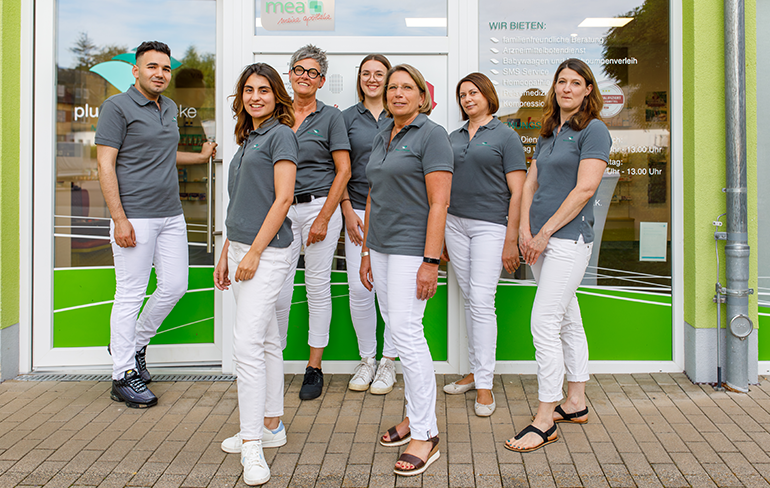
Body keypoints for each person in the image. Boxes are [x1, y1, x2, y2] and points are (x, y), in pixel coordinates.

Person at [95, 41, 216, 408]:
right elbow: (105, 165)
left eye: (165, 68)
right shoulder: (116, 107)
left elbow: (163, 153)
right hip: (135, 216)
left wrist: (199, 156)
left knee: (175, 285)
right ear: (136, 70)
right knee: (130, 294)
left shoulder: (170, 107)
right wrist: (119, 219)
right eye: (152, 67)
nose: (160, 74)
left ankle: (133, 344)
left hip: (170, 214)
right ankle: (122, 374)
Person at [504, 58, 611, 452]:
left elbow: (584, 190)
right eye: (561, 81)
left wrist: (544, 233)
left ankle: (545, 419)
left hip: (567, 241)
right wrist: (524, 231)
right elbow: (531, 183)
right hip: (541, 240)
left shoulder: (594, 131)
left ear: (587, 90)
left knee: (543, 322)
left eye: (575, 82)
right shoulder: (550, 132)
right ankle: (576, 401)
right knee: (567, 319)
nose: (567, 88)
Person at [361, 64, 453, 476]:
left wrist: (430, 261)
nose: (397, 93)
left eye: (406, 87)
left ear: (422, 95)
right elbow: (372, 195)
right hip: (379, 248)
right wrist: (364, 252)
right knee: (396, 329)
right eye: (392, 87)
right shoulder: (384, 133)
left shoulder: (432, 136)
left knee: (407, 334)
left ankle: (426, 433)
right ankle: (413, 418)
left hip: (411, 250)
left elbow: (440, 203)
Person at [213, 63, 298, 486]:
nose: (255, 96)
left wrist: (254, 254)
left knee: (246, 344)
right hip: (243, 247)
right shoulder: (246, 137)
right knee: (264, 340)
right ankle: (271, 425)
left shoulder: (281, 134)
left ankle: (252, 444)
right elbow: (240, 203)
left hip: (270, 252)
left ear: (276, 95)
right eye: (248, 90)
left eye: (264, 90)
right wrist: (229, 250)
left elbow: (282, 200)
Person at [442, 72, 526, 417]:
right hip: (454, 224)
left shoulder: (506, 135)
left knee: (481, 299)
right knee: (469, 298)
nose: (467, 99)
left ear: (488, 95)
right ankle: (476, 371)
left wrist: (512, 239)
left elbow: (518, 191)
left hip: (491, 226)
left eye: (473, 93)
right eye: (462, 95)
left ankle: (486, 384)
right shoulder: (452, 137)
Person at [274, 44, 351, 400]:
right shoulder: (275, 114)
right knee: (278, 286)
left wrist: (324, 217)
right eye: (299, 70)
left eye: (313, 72)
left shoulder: (331, 118)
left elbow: (344, 170)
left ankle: (313, 367)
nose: (305, 76)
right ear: (289, 74)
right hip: (281, 209)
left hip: (320, 206)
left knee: (317, 288)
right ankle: (271, 362)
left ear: (321, 81)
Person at [341, 54, 397, 394]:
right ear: (359, 78)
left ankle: (389, 362)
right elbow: (340, 168)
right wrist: (347, 208)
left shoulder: (402, 115)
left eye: (380, 74)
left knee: (391, 294)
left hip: (396, 214)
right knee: (361, 290)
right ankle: (367, 360)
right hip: (358, 212)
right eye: (367, 74)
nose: (373, 79)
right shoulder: (346, 118)